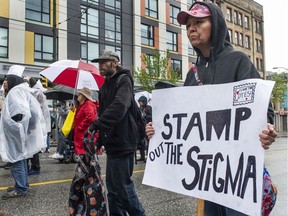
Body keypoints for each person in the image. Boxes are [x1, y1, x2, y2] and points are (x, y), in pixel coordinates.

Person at [146, 2, 278, 216]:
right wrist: (157, 131)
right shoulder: (193, 73)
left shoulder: (238, 62)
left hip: (238, 177)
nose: (191, 28)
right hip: (208, 179)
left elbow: (263, 111)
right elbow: (181, 121)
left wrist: (267, 130)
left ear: (215, 25)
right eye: (188, 24)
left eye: (198, 22)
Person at [87, 50, 146, 216]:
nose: (101, 65)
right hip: (112, 143)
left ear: (115, 62)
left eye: (104, 62)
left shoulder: (124, 80)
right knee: (112, 191)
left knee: (123, 189)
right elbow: (105, 111)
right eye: (99, 63)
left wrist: (96, 125)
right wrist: (99, 140)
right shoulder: (105, 85)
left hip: (124, 142)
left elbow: (119, 107)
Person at [0, 65, 46, 199]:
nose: (4, 82)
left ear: (13, 80)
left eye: (7, 79)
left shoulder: (15, 93)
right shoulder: (21, 91)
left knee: (16, 159)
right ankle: (22, 184)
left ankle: (20, 188)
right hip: (21, 132)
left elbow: (20, 112)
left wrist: (14, 126)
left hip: (16, 133)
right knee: (22, 158)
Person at [69, 87, 106, 215]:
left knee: (87, 174)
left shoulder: (88, 105)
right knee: (87, 174)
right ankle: (84, 205)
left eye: (79, 95)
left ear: (84, 96)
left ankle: (86, 206)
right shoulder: (83, 105)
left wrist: (79, 127)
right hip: (83, 141)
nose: (77, 97)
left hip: (86, 142)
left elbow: (91, 119)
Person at [25, 77, 51, 176]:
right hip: (36, 123)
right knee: (32, 146)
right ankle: (33, 167)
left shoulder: (37, 92)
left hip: (37, 124)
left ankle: (35, 168)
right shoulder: (37, 92)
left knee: (34, 147)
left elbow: (37, 109)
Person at [137, 96, 152, 162]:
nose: (140, 103)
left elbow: (152, 116)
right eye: (139, 102)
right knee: (141, 142)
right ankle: (142, 156)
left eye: (141, 102)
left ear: (144, 102)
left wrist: (145, 116)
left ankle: (149, 156)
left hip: (147, 126)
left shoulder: (149, 108)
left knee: (148, 142)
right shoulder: (139, 108)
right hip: (141, 128)